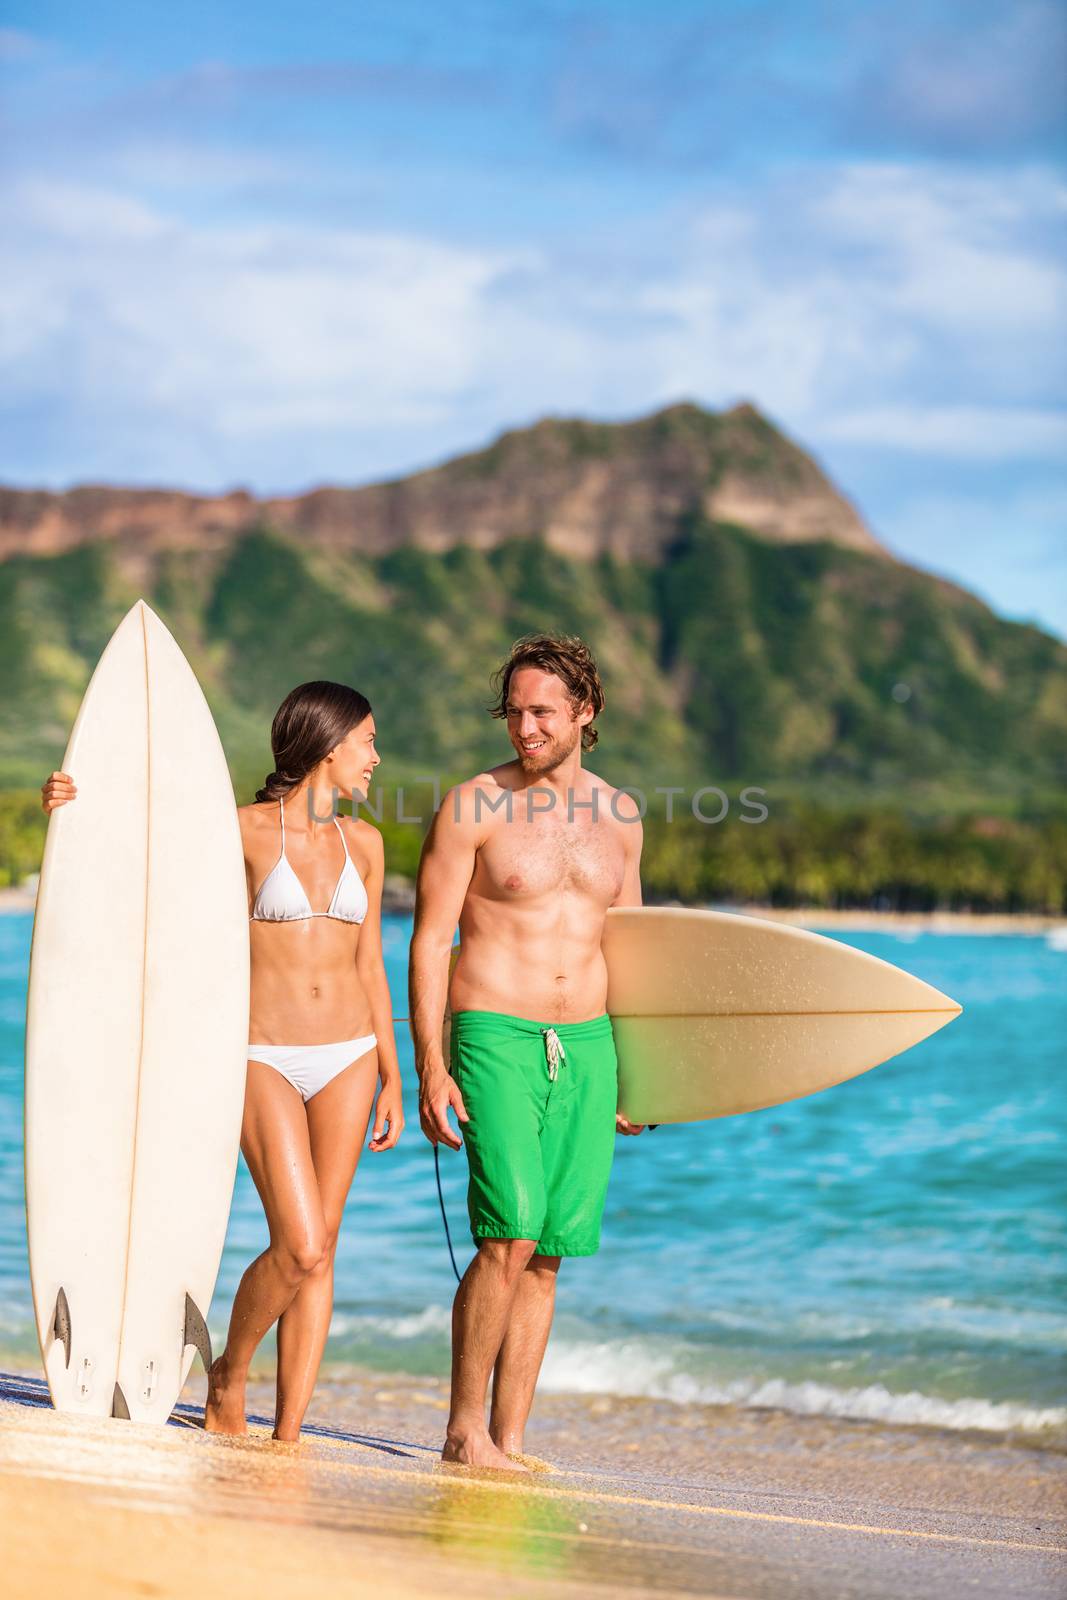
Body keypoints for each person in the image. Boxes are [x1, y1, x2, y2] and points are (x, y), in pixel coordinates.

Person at [40, 680, 403, 1441]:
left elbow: (371, 965)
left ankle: (289, 1436)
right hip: (261, 1052)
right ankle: (228, 1373)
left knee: (321, 1250)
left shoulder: (362, 845)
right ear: (329, 745)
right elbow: (144, 866)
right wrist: (76, 806)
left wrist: (393, 1074)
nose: (375, 757)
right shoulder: (236, 831)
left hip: (350, 1056)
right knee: (299, 1243)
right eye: (367, 741)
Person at [408, 633, 644, 1470]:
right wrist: (430, 1066)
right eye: (513, 711)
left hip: (588, 1043)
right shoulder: (475, 805)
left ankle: (509, 1438)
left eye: (541, 710)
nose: (524, 727)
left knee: (548, 1251)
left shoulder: (620, 816)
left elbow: (636, 947)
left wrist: (640, 1073)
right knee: (507, 1230)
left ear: (585, 711)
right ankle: (463, 1428)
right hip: (493, 1032)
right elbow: (431, 939)